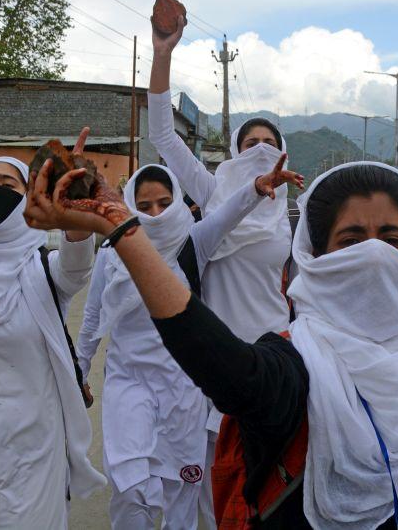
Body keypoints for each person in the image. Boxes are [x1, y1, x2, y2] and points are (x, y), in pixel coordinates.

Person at [25, 159, 398, 529]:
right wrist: (121, 230)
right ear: (314, 255)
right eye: (352, 237)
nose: (373, 252)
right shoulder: (293, 362)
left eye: (390, 238)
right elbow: (219, 363)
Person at [76, 160, 301, 530]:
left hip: (184, 387)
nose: (155, 214)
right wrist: (79, 371)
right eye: (144, 206)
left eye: (164, 203)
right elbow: (91, 319)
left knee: (181, 491)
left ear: (178, 202)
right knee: (131, 488)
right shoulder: (111, 254)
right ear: (130, 205)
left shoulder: (190, 244)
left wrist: (257, 187)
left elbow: (227, 215)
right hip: (128, 382)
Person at [147, 15, 303, 525]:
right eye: (248, 141)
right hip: (219, 350)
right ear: (235, 150)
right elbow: (164, 136)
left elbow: (304, 285)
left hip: (276, 350)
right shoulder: (212, 192)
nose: (259, 147)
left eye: (268, 141)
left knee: (272, 480)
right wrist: (163, 52)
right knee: (219, 484)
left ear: (282, 154)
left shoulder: (290, 218)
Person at [0, 151, 106, 528]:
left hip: (33, 442)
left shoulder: (43, 269)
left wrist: (75, 216)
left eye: (8, 185)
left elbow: (76, 266)